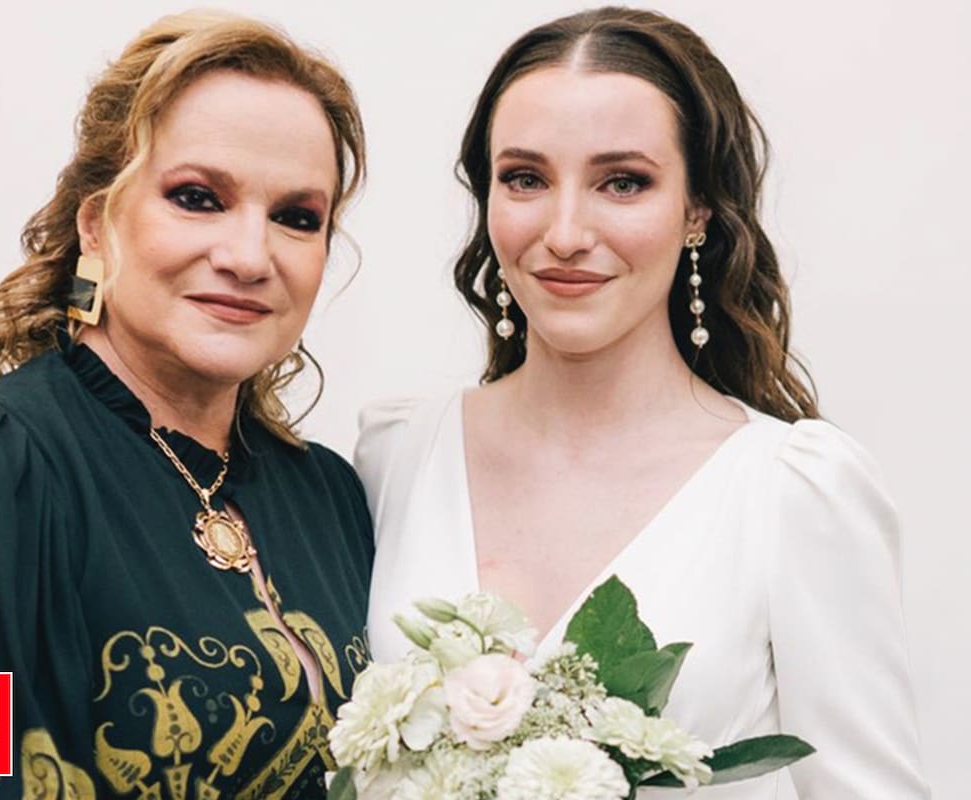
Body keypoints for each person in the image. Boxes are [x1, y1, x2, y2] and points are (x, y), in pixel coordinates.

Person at [356, 8, 928, 798]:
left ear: (698, 209)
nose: (564, 232)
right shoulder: (395, 457)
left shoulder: (792, 491)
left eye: (622, 182)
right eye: (525, 178)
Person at [0, 11, 372, 800]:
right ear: (96, 226)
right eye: (198, 197)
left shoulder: (331, 499)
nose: (250, 256)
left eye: (296, 218)